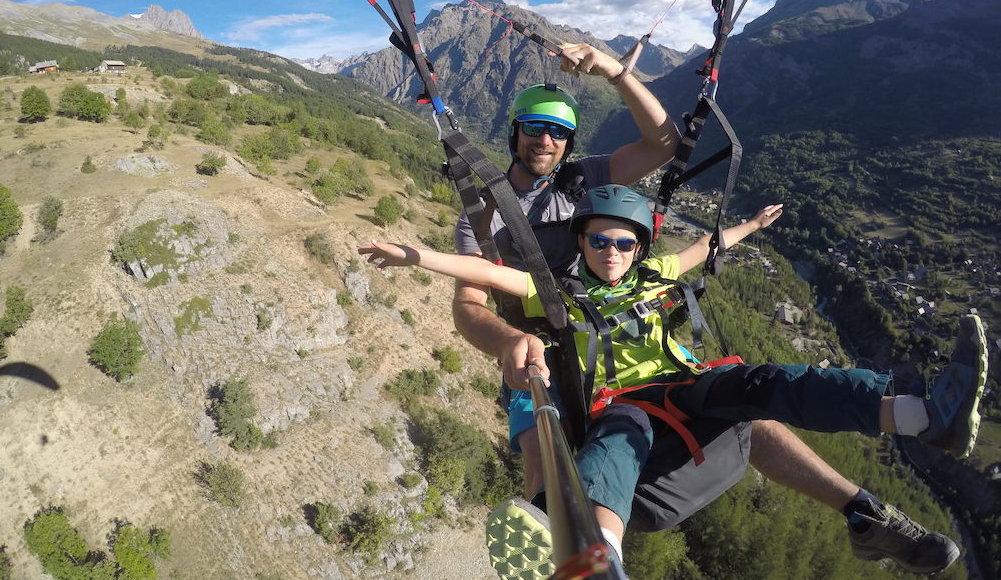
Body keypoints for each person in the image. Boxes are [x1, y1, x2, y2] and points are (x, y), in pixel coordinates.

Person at [449, 44, 964, 575]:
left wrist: (613, 71)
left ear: (570, 141)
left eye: (557, 132)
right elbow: (470, 303)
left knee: (741, 402)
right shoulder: (482, 218)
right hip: (544, 343)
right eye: (534, 128)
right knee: (543, 433)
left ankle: (864, 513)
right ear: (514, 132)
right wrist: (507, 340)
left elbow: (666, 143)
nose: (545, 140)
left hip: (622, 324)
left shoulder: (587, 180)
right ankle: (557, 541)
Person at [364, 185, 988, 578]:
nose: (612, 251)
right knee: (617, 441)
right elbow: (480, 271)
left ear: (638, 248)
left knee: (766, 382)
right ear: (581, 243)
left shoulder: (655, 271)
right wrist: (412, 256)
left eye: (624, 242)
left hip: (685, 384)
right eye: (599, 240)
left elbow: (707, 248)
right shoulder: (555, 294)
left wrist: (750, 227)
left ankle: (922, 418)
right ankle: (597, 556)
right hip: (623, 401)